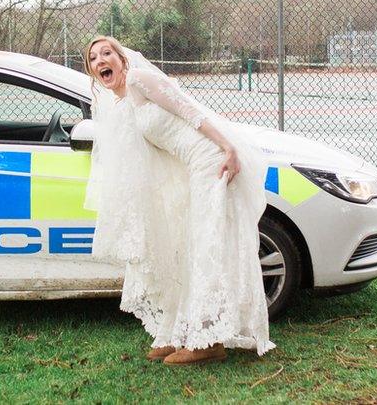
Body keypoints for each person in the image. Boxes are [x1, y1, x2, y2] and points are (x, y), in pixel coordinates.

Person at [82, 35, 273, 365]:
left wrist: (229, 148)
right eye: (94, 58)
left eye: (107, 53)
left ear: (121, 58)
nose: (101, 60)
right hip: (194, 168)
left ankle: (207, 342)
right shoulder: (122, 103)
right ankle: (176, 334)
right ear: (92, 71)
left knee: (205, 249)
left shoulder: (141, 79)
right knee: (187, 248)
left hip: (211, 160)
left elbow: (189, 110)